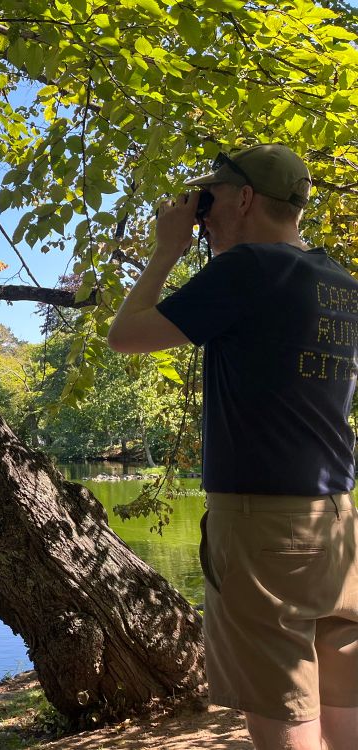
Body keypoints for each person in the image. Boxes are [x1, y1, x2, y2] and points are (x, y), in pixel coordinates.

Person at [107, 144, 358, 750]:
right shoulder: (342, 284)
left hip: (262, 532)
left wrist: (166, 249)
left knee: (283, 716)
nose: (204, 214)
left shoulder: (245, 271)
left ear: (244, 199)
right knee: (345, 712)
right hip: (339, 526)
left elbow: (125, 335)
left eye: (210, 199)